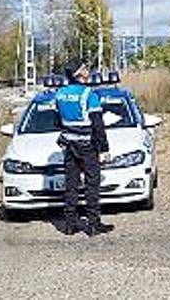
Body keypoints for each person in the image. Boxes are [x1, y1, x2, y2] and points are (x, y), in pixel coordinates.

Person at [53, 58, 113, 236]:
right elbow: (98, 125)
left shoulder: (60, 94)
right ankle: (93, 224)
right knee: (91, 185)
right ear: (79, 74)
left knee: (71, 185)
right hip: (87, 146)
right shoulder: (89, 95)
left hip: (69, 146)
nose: (88, 72)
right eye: (85, 69)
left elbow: (56, 122)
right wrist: (104, 148)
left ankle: (70, 225)